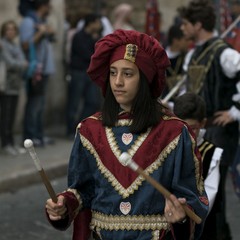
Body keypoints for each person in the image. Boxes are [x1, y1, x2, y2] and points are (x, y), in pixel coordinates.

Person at [45, 29, 209, 240]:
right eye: (113, 72)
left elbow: (192, 199)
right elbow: (82, 191)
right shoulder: (89, 130)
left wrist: (181, 217)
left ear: (145, 79)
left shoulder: (175, 132)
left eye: (128, 74)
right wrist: (62, 206)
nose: (118, 82)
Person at [178, 0, 240, 239]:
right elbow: (189, 91)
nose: (182, 29)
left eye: (186, 24)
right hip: (197, 133)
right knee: (200, 193)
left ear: (198, 24)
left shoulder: (224, 52)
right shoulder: (193, 54)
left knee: (216, 198)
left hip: (220, 134)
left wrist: (235, 112)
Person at [173, 92, 223, 240]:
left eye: (193, 128)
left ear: (202, 123)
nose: (187, 133)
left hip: (201, 225)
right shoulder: (170, 148)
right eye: (182, 126)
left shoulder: (211, 153)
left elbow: (209, 196)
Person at [19, 0, 55, 147]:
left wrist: (48, 31)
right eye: (49, 5)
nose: (50, 8)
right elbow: (26, 45)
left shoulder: (40, 21)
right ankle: (30, 136)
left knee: (40, 105)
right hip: (35, 70)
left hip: (44, 69)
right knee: (34, 105)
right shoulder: (28, 21)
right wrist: (41, 32)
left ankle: (39, 135)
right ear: (43, 6)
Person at [66, 14, 102, 138]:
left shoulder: (93, 38)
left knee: (92, 101)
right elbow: (89, 55)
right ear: (91, 23)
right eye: (97, 23)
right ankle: (71, 130)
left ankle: (81, 126)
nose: (99, 26)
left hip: (89, 74)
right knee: (74, 102)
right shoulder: (79, 36)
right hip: (79, 73)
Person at [0, 20, 28, 155]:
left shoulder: (15, 45)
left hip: (16, 85)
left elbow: (23, 62)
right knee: (6, 115)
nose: (10, 32)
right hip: (6, 85)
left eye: (12, 29)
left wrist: (21, 63)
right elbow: (11, 63)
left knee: (12, 116)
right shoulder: (2, 45)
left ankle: (11, 142)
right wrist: (21, 64)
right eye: (7, 29)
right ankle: (6, 143)